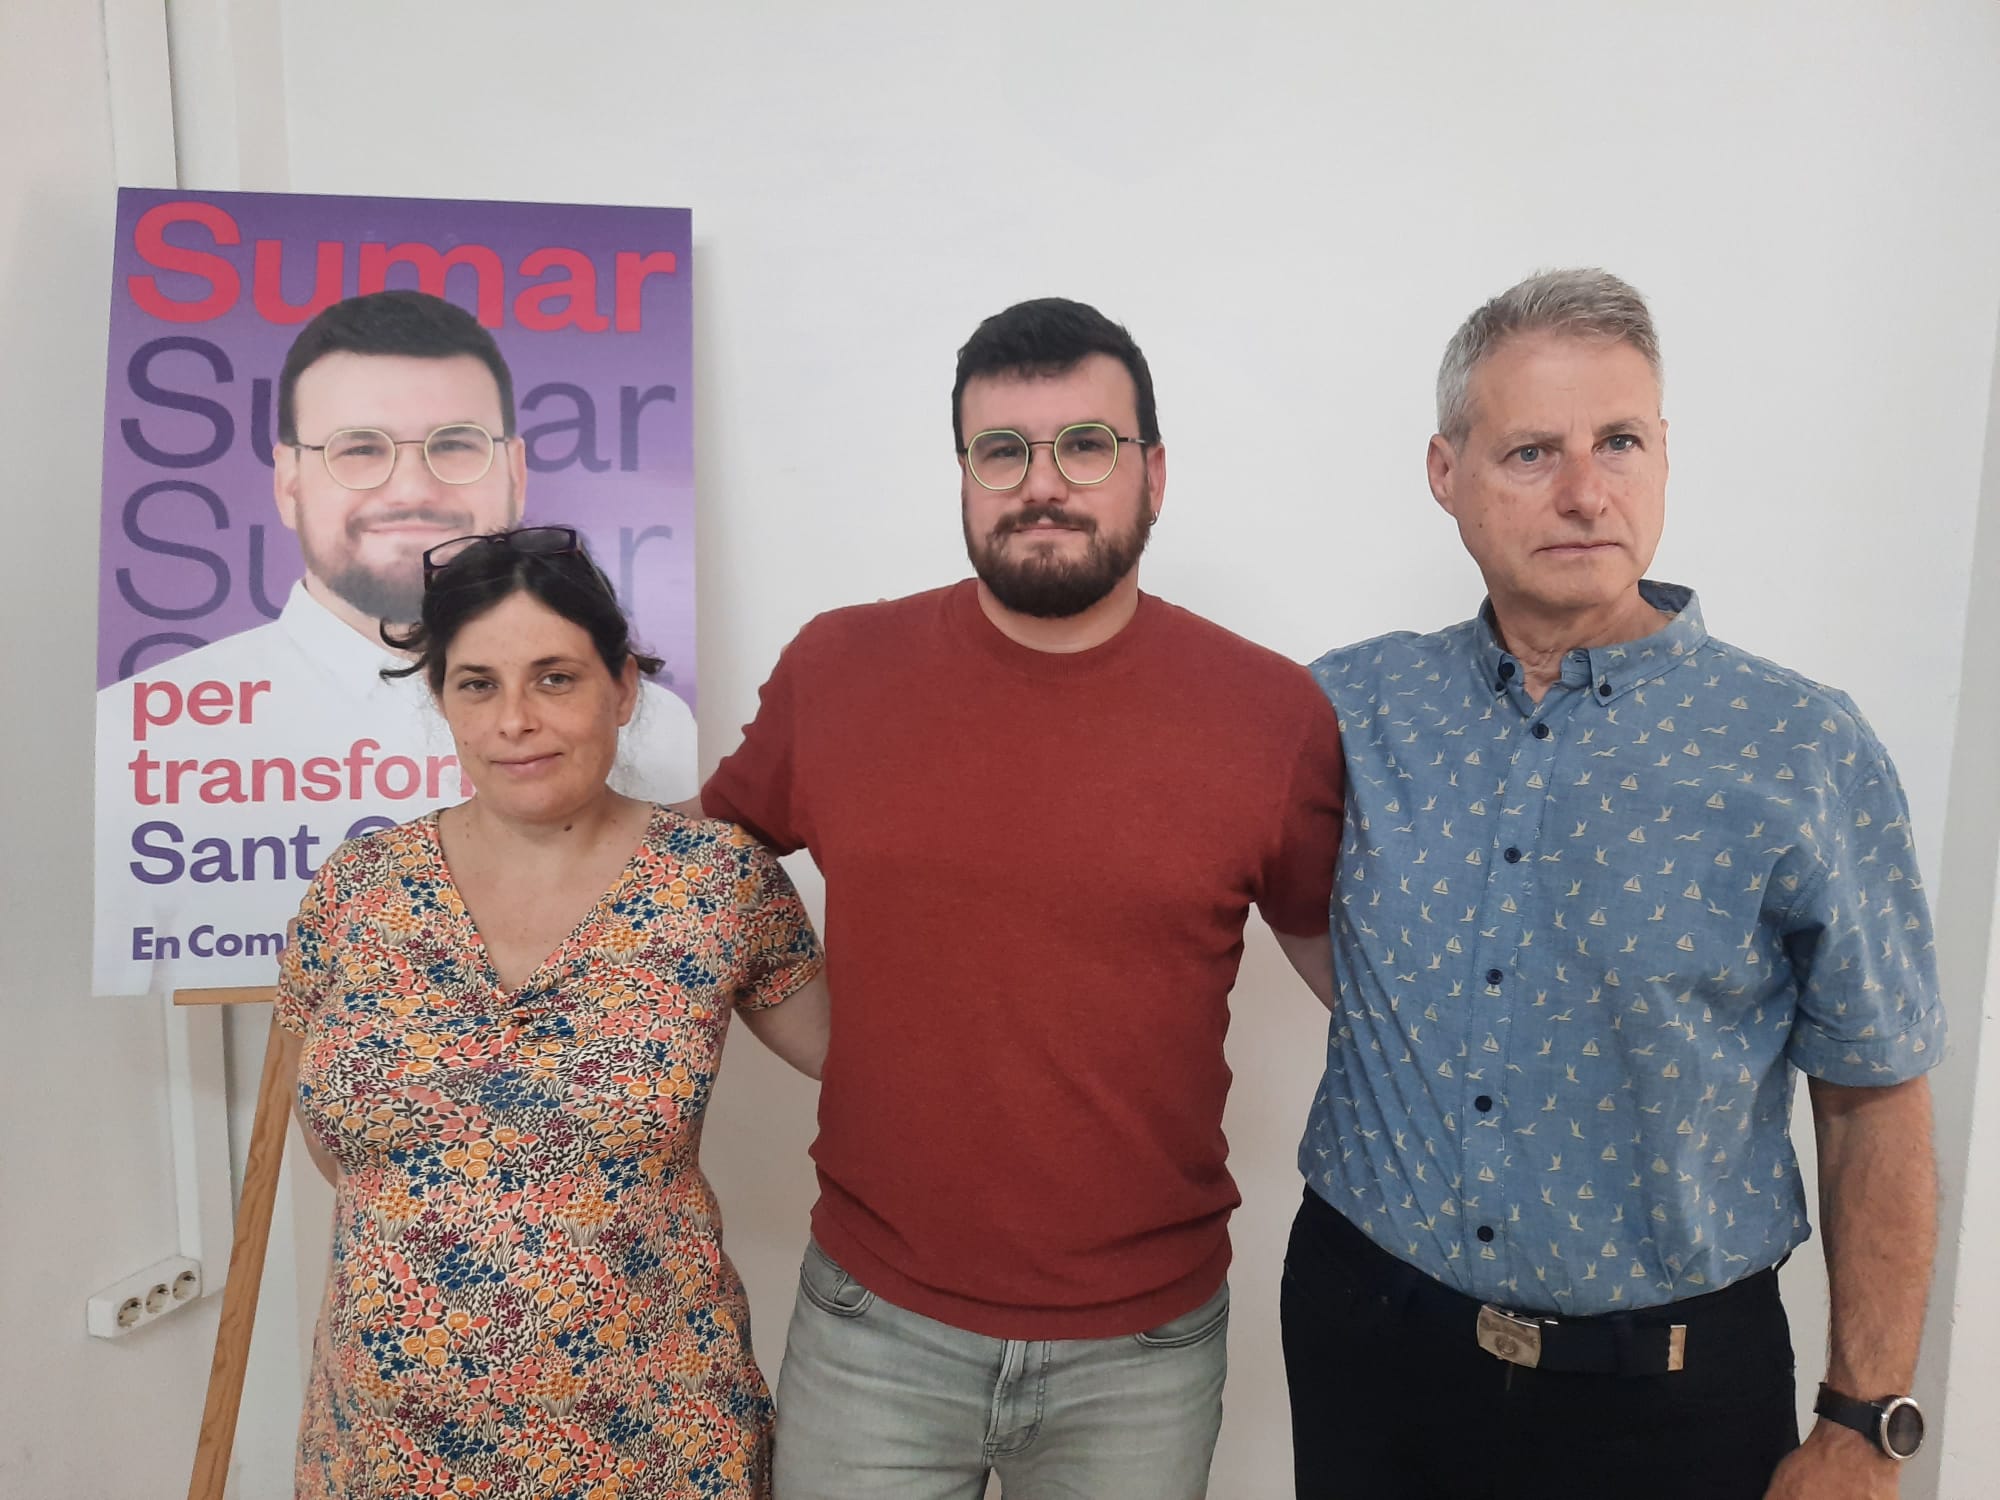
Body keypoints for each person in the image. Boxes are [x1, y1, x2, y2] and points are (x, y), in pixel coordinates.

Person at [1283, 269, 1945, 1500]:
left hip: (1669, 1403)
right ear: (1445, 474)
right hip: (1368, 1350)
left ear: (1661, 455)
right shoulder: (1346, 709)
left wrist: (1862, 1421)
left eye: (1618, 441)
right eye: (1530, 450)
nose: (1584, 491)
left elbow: (1874, 1095)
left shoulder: (1801, 748)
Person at [688, 297, 1346, 1499]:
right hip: (871, 1325)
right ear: (963, 475)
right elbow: (688, 876)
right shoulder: (839, 670)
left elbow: (1348, 968)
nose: (1042, 483)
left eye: (1084, 446)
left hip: (1141, 1352)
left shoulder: (1269, 715)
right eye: (1003, 451)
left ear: (1152, 473)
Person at [274, 526, 826, 1500]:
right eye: (476, 683)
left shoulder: (716, 884)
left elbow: (875, 1069)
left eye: (554, 678)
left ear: (621, 687)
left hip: (651, 1450)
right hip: (387, 1452)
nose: (513, 719)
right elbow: (342, 1150)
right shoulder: (357, 890)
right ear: (440, 697)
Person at [92, 290, 697, 995]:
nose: (411, 487)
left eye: (456, 445)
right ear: (289, 482)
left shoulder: (655, 731)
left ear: (516, 471)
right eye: (358, 449)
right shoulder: (134, 732)